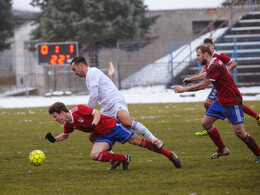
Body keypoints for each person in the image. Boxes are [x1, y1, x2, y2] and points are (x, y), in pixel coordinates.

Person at [70, 56, 164, 170]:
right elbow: (95, 99)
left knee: (127, 122)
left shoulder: (92, 72)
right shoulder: (88, 78)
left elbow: (93, 96)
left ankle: (155, 140)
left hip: (115, 101)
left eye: (74, 69)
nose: (74, 73)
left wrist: (83, 112)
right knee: (93, 136)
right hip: (106, 108)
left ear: (81, 65)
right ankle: (113, 160)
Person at [174, 45, 260, 164]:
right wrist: (191, 79)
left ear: (205, 54)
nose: (197, 58)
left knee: (240, 133)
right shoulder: (212, 64)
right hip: (221, 100)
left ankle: (259, 154)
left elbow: (203, 85)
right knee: (205, 123)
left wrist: (183, 89)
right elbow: (206, 74)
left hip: (232, 101)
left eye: (198, 55)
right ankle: (222, 149)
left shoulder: (214, 65)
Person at [45, 102, 182, 170]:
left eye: (55, 116)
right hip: (104, 135)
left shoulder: (78, 109)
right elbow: (65, 135)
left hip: (113, 127)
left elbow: (97, 113)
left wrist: (93, 124)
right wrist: (54, 139)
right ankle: (123, 158)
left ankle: (170, 154)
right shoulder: (69, 124)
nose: (55, 119)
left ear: (62, 112)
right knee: (94, 155)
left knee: (139, 143)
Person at [192, 38, 260, 136]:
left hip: (222, 83)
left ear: (213, 46)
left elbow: (233, 63)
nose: (207, 48)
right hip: (215, 83)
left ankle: (209, 126)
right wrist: (199, 75)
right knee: (208, 104)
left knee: (213, 103)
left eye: (208, 46)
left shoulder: (218, 56)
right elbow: (206, 69)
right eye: (205, 47)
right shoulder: (206, 58)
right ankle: (209, 125)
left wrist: (226, 70)